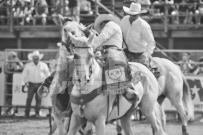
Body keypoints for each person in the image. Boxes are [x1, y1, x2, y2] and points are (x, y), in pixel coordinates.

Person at [120, 2, 159, 77]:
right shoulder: (124, 20)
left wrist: (146, 55)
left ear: (139, 14)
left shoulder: (143, 25)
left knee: (143, 76)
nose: (132, 16)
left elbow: (151, 42)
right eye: (130, 14)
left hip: (140, 54)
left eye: (134, 15)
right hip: (127, 52)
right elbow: (119, 33)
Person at [22, 50, 50, 117]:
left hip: (40, 84)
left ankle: (37, 113)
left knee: (38, 99)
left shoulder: (44, 65)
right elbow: (23, 75)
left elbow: (48, 74)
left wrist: (46, 83)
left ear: (39, 58)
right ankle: (27, 113)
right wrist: (23, 84)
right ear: (32, 58)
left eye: (37, 57)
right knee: (29, 99)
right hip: (31, 84)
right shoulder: (28, 65)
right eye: (34, 57)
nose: (36, 59)